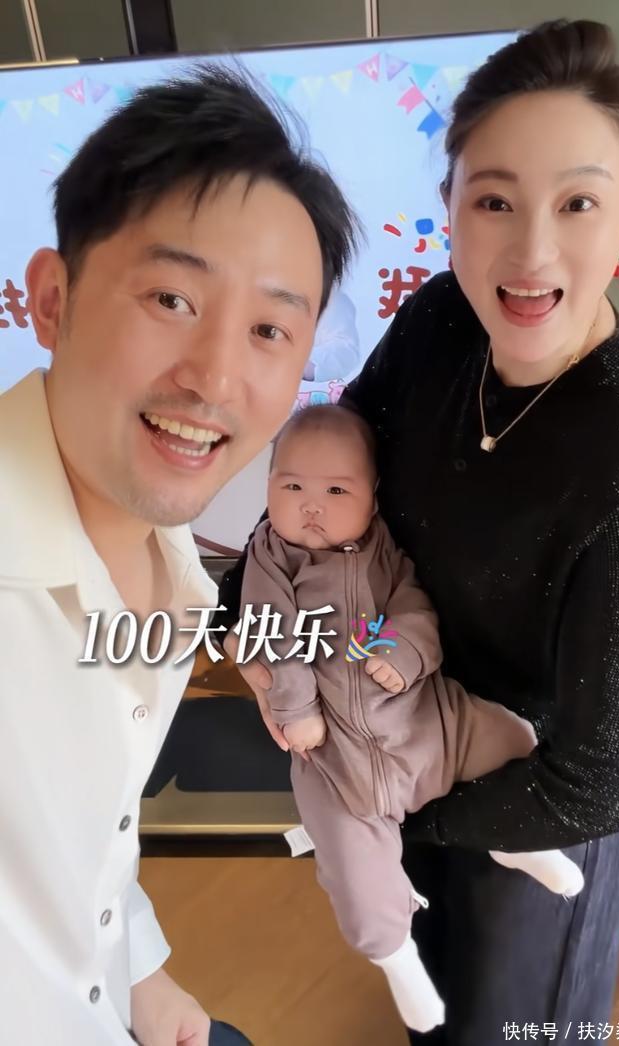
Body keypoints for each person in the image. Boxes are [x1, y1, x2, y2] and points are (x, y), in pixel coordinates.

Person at [220, 20, 619, 1044]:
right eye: (493, 200)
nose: (530, 253)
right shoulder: (442, 318)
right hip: (396, 742)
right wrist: (248, 617)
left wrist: (397, 801)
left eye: (578, 203)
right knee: (427, 1016)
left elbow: (600, 775)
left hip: (527, 808)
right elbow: (330, 467)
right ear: (448, 205)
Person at [0, 68, 358, 1045]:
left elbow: (76, 843)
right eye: (171, 297)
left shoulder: (173, 571)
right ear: (52, 299)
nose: (215, 377)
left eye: (269, 329)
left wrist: (142, 974)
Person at [239, 402, 584, 1033]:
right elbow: (272, 635)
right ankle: (398, 961)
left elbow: (414, 607)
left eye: (336, 491)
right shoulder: (272, 559)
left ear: (373, 496)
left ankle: (513, 841)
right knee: (357, 876)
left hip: (424, 722)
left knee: (513, 736)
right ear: (268, 489)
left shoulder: (383, 547)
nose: (311, 507)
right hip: (336, 758)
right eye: (291, 488)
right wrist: (297, 709)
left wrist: (401, 651)